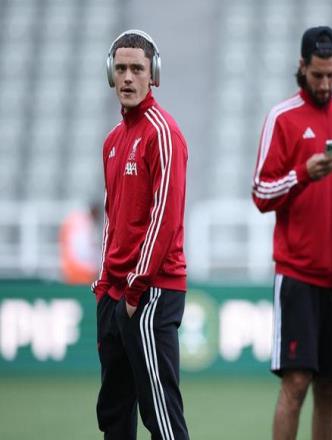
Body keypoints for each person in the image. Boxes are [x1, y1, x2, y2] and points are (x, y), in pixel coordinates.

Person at [252, 26, 332, 440]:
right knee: (296, 384)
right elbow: (260, 192)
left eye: (331, 74)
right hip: (298, 276)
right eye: (317, 75)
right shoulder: (282, 118)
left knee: (330, 387)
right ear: (302, 67)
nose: (324, 84)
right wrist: (301, 174)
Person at [91, 29, 189, 440]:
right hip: (115, 294)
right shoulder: (112, 141)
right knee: (114, 417)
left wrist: (134, 290)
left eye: (137, 68)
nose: (128, 77)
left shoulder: (163, 133)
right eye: (121, 69)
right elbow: (113, 218)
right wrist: (104, 285)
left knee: (161, 419)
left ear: (154, 74)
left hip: (150, 293)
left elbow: (164, 218)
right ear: (110, 74)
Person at [60, 202, 101, 284]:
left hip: (73, 269)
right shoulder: (84, 225)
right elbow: (82, 250)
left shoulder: (81, 222)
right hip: (79, 271)